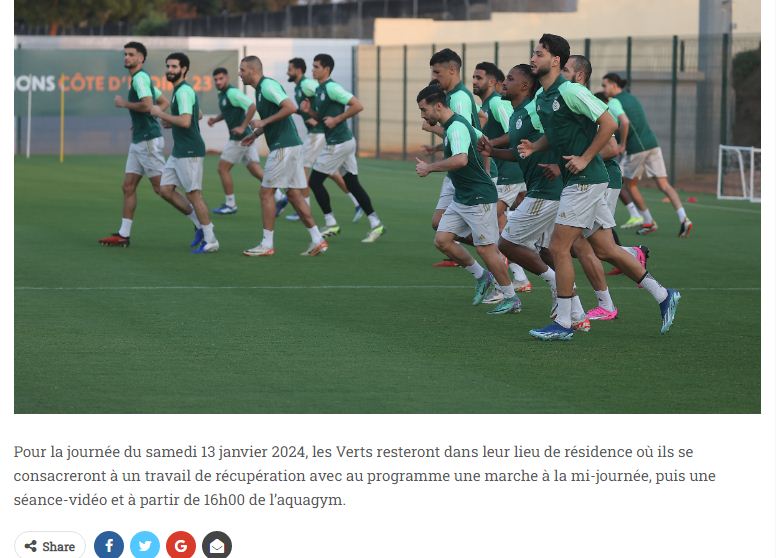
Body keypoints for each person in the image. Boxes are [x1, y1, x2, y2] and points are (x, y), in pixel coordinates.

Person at [520, 34, 680, 340]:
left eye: (538, 54)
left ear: (556, 60)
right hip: (580, 181)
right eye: (534, 53)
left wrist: (584, 158)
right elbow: (556, 133)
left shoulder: (571, 91)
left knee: (557, 247)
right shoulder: (543, 97)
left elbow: (610, 124)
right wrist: (535, 146)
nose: (533, 58)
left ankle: (564, 324)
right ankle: (663, 295)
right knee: (606, 249)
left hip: (587, 181)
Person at [415, 85, 521, 315]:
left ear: (438, 106)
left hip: (478, 197)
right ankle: (482, 277)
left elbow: (461, 160)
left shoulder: (456, 127)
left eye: (424, 110)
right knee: (442, 240)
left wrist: (429, 167)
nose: (423, 115)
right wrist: (487, 171)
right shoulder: (454, 125)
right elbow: (484, 141)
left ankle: (511, 297)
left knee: (486, 250)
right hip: (463, 196)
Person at [562, 55, 649, 320]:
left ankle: (601, 305)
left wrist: (583, 158)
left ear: (578, 76)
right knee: (583, 244)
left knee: (583, 245)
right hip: (584, 180)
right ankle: (632, 260)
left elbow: (610, 148)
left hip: (603, 180)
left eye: (564, 69)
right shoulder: (561, 100)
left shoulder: (583, 101)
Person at [478, 64, 563, 317]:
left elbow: (558, 135)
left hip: (548, 189)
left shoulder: (534, 111)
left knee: (507, 243)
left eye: (510, 79)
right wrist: (493, 151)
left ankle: (555, 284)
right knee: (551, 251)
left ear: (525, 86)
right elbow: (520, 152)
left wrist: (559, 166)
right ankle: (574, 310)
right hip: (542, 188)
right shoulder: (517, 114)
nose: (503, 83)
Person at [99, 41, 196, 247]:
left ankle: (200, 223)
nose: (127, 57)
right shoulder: (140, 78)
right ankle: (123, 235)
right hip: (140, 140)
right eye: (125, 54)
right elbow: (163, 102)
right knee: (128, 186)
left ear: (141, 58)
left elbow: (147, 105)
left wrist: (124, 104)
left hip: (147, 142)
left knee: (162, 189)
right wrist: (144, 121)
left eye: (131, 54)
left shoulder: (140, 78)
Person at [237, 56, 328, 256]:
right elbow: (275, 118)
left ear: (252, 71)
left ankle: (267, 244)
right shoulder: (261, 90)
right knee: (294, 194)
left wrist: (262, 122)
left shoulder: (267, 86)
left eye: (242, 70)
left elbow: (290, 107)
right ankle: (318, 240)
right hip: (290, 146)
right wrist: (255, 135)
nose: (239, 73)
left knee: (266, 193)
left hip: (283, 148)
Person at [299, 53, 385, 243]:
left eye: (316, 66)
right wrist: (309, 111)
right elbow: (324, 118)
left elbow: (357, 105)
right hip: (343, 142)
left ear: (326, 69)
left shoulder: (332, 88)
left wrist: (337, 119)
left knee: (314, 182)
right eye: (313, 66)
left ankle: (331, 223)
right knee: (352, 184)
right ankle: (376, 223)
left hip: (339, 143)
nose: (312, 70)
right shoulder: (320, 90)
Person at [602, 72, 693, 237]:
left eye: (604, 85)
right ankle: (684, 219)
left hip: (637, 148)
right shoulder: (631, 98)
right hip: (652, 144)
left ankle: (648, 221)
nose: (603, 89)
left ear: (614, 85)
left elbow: (625, 122)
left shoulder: (614, 101)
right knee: (664, 185)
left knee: (629, 185)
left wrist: (622, 144)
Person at [148, 52, 219, 253]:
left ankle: (211, 239)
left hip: (190, 150)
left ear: (184, 69)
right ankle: (199, 224)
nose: (170, 70)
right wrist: (171, 121)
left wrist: (161, 114)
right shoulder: (180, 90)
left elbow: (187, 121)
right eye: (168, 66)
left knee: (194, 194)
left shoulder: (183, 91)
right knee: (165, 190)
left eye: (174, 67)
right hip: (180, 150)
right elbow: (199, 114)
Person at [472, 61, 532, 293]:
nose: (474, 81)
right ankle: (518, 276)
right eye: (474, 77)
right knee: (500, 225)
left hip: (509, 173)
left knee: (489, 220)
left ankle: (506, 280)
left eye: (479, 77)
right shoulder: (487, 105)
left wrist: (490, 144)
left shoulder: (497, 103)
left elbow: (513, 133)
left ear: (492, 82)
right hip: (505, 172)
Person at [283, 57, 362, 223]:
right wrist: (307, 112)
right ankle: (357, 202)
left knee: (302, 169)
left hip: (317, 134)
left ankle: (304, 210)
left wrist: (326, 118)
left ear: (298, 70)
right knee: (331, 172)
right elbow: (318, 103)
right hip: (320, 133)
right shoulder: (301, 87)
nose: (287, 73)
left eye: (290, 69)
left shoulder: (308, 84)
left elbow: (325, 96)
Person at [207, 67, 264, 215]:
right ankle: (280, 197)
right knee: (255, 169)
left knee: (222, 169)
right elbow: (227, 111)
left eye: (221, 78)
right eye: (216, 79)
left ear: (227, 78)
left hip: (239, 138)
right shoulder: (223, 94)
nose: (218, 82)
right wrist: (215, 120)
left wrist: (242, 126)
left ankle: (230, 204)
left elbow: (252, 106)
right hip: (246, 137)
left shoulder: (232, 92)